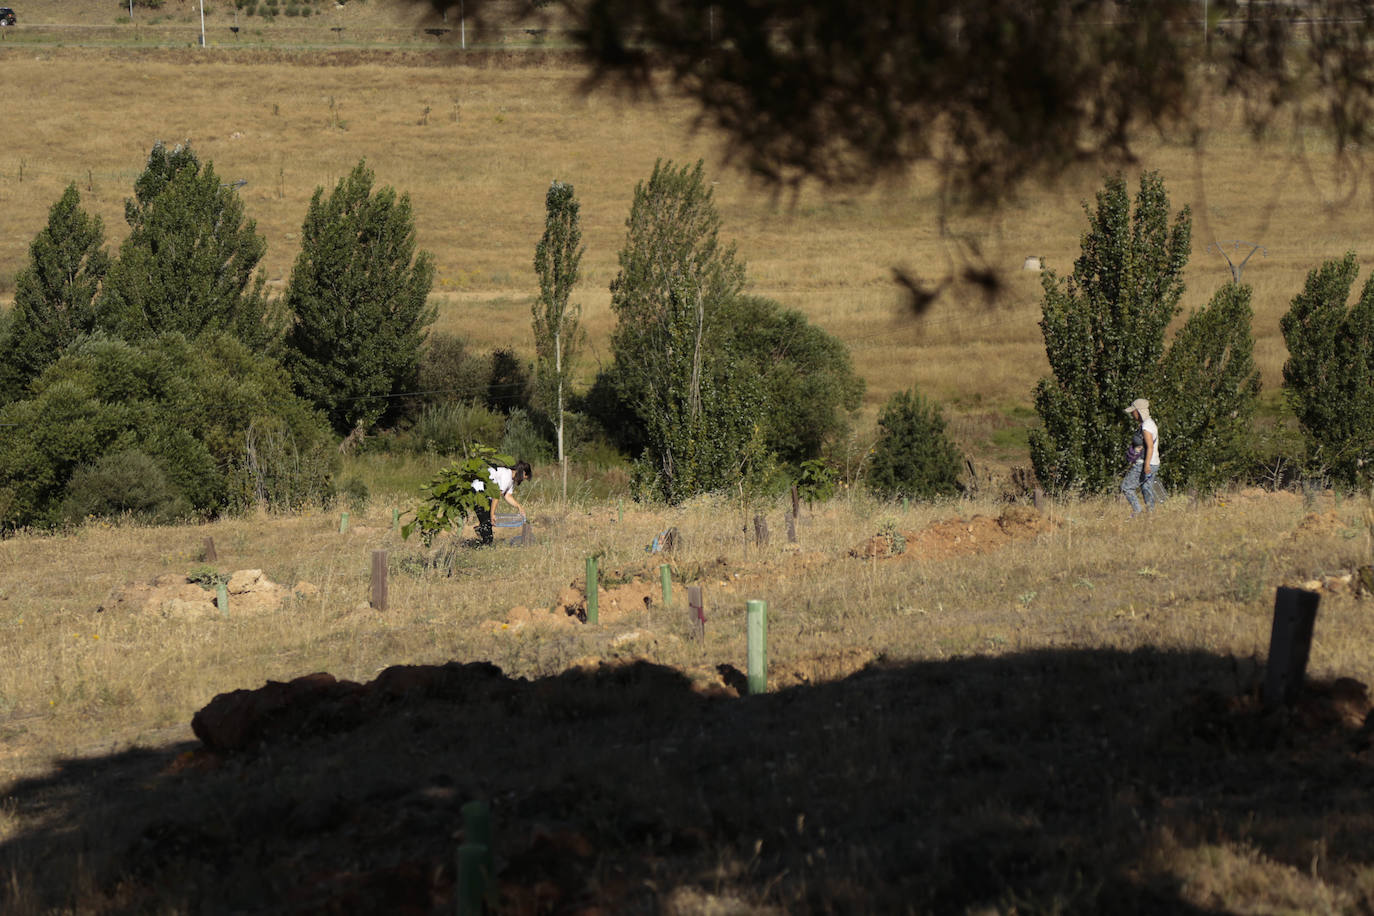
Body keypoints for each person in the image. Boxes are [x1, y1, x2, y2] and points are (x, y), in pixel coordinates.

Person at [472, 460, 531, 545]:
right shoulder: (506, 475)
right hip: (478, 491)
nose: (523, 480)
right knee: (487, 523)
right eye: (525, 477)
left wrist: (519, 506)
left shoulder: (511, 479)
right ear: (523, 472)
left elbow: (508, 496)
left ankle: (481, 533)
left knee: (486, 522)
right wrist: (492, 514)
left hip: (485, 495)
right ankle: (485, 544)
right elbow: (496, 496)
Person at [1121, 398, 1160, 515]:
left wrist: (1146, 465)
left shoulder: (1146, 427)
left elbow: (1150, 447)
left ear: (1139, 411)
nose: (1132, 414)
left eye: (1133, 411)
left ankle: (1137, 512)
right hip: (1154, 462)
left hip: (1145, 463)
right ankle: (1150, 516)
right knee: (1146, 488)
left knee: (1126, 487)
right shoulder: (1149, 423)